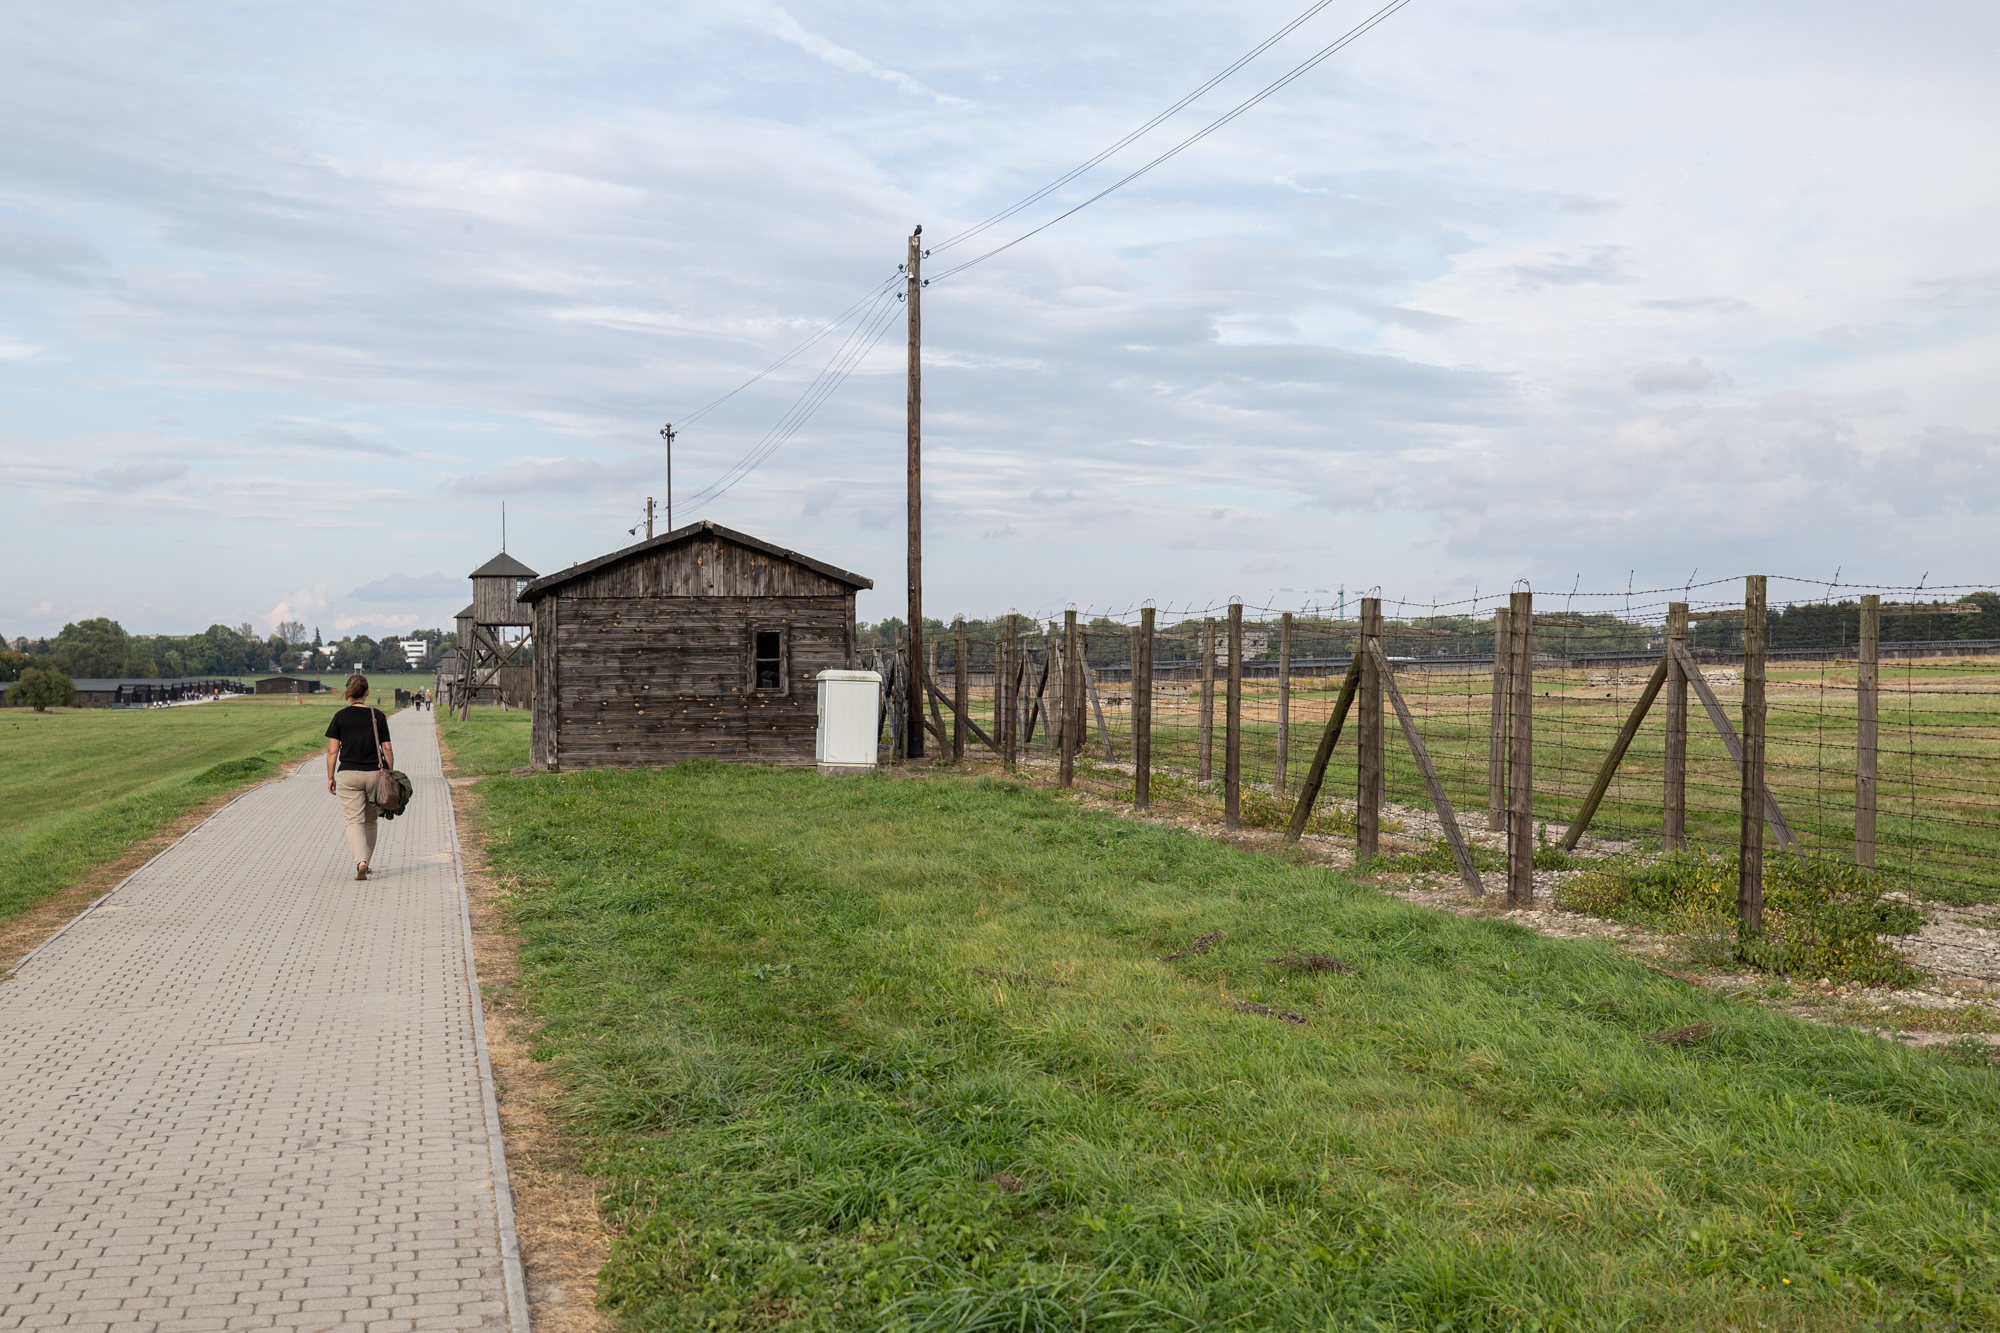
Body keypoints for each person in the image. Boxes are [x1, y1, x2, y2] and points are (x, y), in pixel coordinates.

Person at [325, 674, 394, 881]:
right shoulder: (377, 715)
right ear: (367, 693)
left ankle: (360, 862)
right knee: (371, 821)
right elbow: (387, 748)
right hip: (375, 774)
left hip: (347, 775)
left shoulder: (340, 717)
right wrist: (390, 774)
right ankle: (366, 863)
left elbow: (332, 751)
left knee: (353, 821)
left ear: (348, 693)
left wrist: (330, 777)